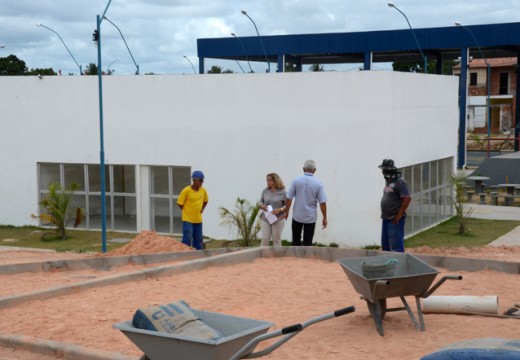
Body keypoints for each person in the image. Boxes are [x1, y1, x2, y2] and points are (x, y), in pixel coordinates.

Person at [285, 160, 327, 246]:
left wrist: (287, 212)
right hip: (310, 217)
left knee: (296, 240)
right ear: (315, 170)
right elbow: (322, 202)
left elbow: (289, 198)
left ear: (303, 169)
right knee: (308, 242)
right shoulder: (318, 183)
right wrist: (324, 217)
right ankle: (306, 258)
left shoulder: (295, 180)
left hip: (297, 215)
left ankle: (296, 258)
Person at [379, 159, 411, 253]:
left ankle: (398, 264)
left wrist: (400, 213)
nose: (383, 173)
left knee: (395, 245)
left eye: (384, 170)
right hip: (386, 218)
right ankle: (387, 264)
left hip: (394, 219)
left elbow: (407, 198)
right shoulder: (389, 182)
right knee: (386, 245)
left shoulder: (400, 182)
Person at [177, 170, 208, 250]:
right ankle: (185, 254)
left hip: (198, 219)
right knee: (187, 237)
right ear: (194, 180)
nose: (201, 182)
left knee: (198, 239)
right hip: (188, 219)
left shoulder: (203, 191)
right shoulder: (186, 191)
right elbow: (180, 203)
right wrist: (186, 211)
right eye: (200, 180)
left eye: (202, 180)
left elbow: (205, 201)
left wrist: (202, 209)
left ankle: (197, 255)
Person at [259, 173, 287, 247]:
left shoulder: (283, 192)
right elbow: (260, 201)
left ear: (275, 181)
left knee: (276, 240)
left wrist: (280, 209)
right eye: (267, 180)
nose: (267, 181)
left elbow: (287, 205)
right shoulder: (265, 191)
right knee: (265, 239)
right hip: (266, 218)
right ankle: (263, 256)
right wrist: (262, 206)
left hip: (278, 218)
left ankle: (278, 257)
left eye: (269, 180)